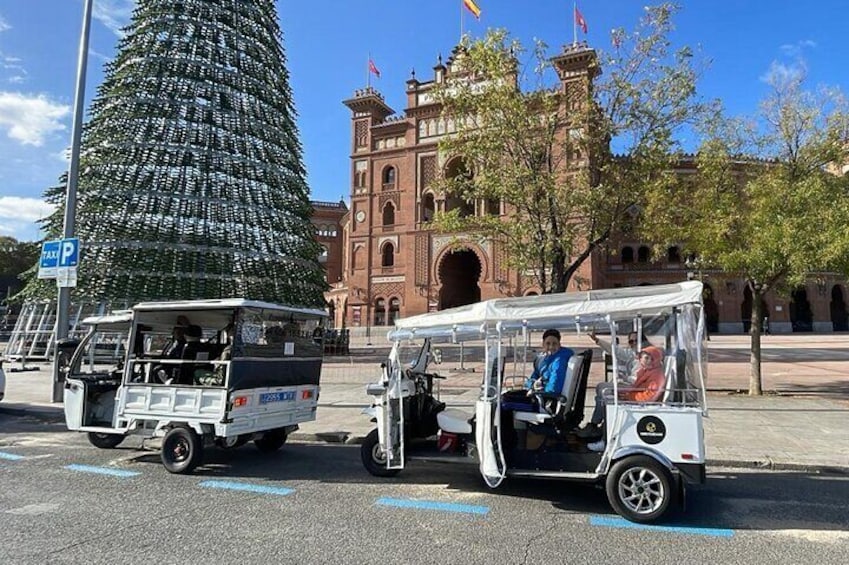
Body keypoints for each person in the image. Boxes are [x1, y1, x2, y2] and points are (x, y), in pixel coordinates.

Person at [584, 345, 668, 452]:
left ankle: (605, 441)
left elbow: (649, 397)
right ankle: (601, 430)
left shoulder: (656, 375)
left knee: (607, 402)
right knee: (606, 397)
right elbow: (637, 386)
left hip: (641, 405)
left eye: (649, 358)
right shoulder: (647, 370)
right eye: (644, 357)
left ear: (655, 360)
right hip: (635, 399)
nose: (645, 360)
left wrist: (628, 396)